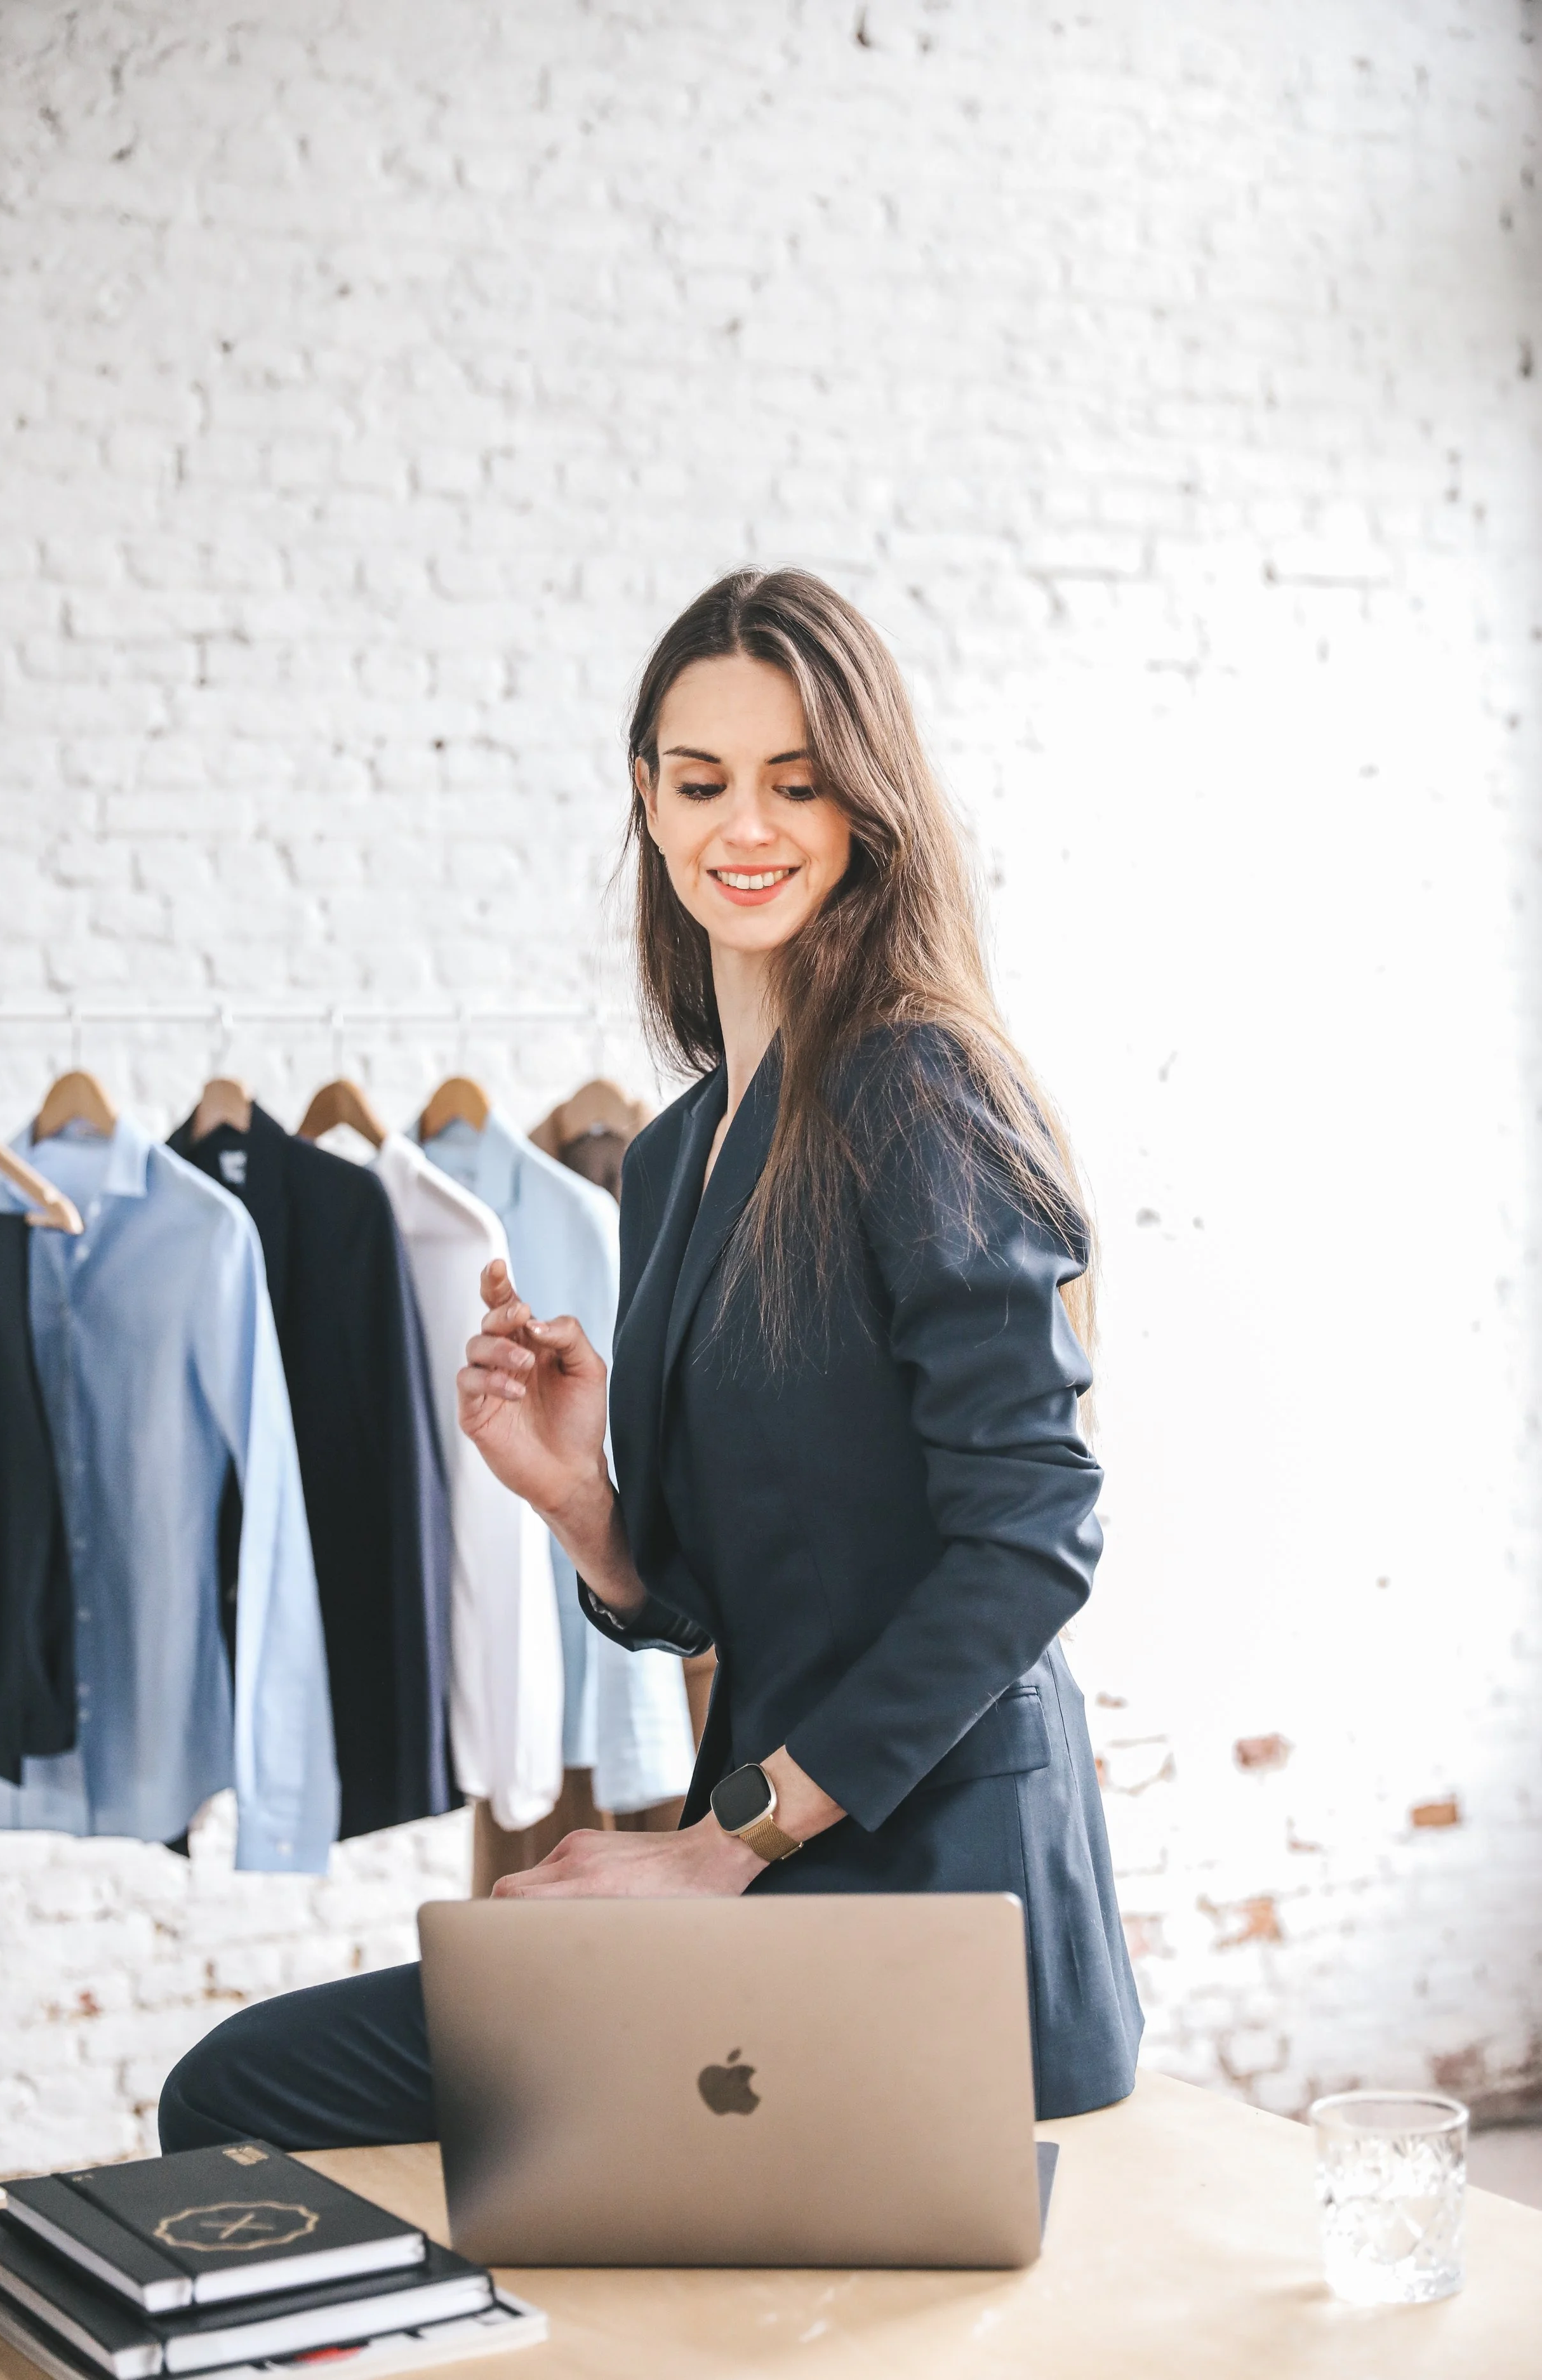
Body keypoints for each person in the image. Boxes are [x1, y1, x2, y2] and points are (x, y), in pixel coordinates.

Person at [159, 569, 1141, 2151]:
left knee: (245, 2094)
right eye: (701, 784)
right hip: (762, 1875)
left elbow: (1032, 1537)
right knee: (238, 2087)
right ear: (648, 799)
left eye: (795, 782)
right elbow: (714, 1597)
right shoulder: (679, 1148)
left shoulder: (914, 1086)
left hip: (946, 1898)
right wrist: (583, 1506)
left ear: (865, 810)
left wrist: (724, 1839)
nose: (742, 826)